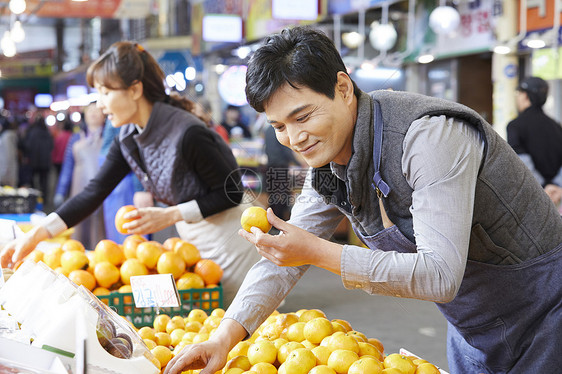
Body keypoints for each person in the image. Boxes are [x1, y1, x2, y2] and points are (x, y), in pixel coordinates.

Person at [164, 27, 562, 374]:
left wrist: (319, 253)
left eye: (303, 117)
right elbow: (281, 263)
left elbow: (439, 275)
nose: (294, 139)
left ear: (342, 88)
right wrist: (223, 337)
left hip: (544, 319)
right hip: (474, 329)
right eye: (279, 126)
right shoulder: (331, 165)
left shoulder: (430, 138)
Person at [0, 41, 262, 306]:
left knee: (237, 325)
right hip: (191, 244)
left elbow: (230, 193)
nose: (100, 104)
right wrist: (37, 233)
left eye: (105, 92)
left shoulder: (188, 133)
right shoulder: (128, 137)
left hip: (232, 243)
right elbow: (94, 191)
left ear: (135, 89)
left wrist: (170, 214)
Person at [53, 103, 106, 249]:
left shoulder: (108, 137)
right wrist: (60, 191)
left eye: (97, 110)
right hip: (79, 185)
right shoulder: (75, 138)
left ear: (104, 115)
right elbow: (67, 166)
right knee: (79, 219)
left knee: (100, 224)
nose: (93, 113)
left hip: (103, 186)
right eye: (90, 111)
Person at [507, 76, 562, 208]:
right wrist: (556, 185)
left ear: (525, 96)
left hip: (531, 198)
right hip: (557, 196)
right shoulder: (556, 126)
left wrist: (543, 187)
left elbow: (521, 162)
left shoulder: (515, 126)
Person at [0, 116, 19, 187]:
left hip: (6, 171)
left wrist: (5, 171)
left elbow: (8, 156)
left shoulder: (7, 137)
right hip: (7, 170)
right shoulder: (6, 136)